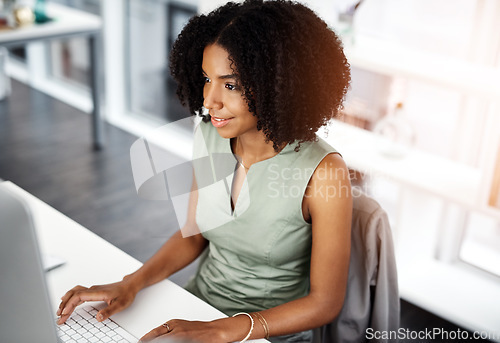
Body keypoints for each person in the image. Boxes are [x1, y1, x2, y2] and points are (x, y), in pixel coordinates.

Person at [56, 1, 352, 342]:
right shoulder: (210, 134)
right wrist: (131, 283)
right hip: (198, 307)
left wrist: (224, 330)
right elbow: (194, 234)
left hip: (266, 332)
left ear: (279, 84)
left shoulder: (325, 172)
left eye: (231, 85)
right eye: (207, 79)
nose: (209, 100)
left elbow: (325, 303)